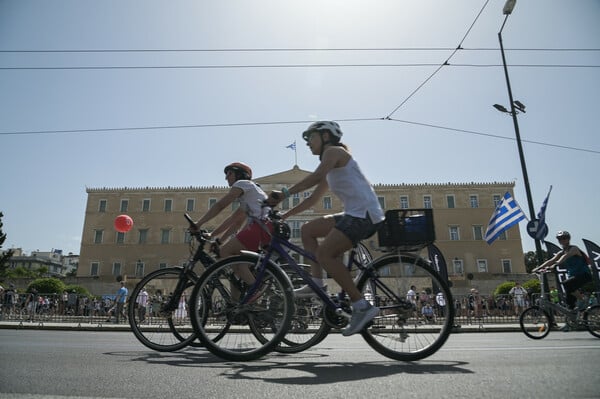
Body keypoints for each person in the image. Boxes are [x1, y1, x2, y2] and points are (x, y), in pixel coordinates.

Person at [268, 121, 385, 336]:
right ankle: (317, 283)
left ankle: (361, 306)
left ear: (325, 136)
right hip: (354, 213)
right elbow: (313, 199)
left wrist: (284, 194)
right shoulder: (331, 167)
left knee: (325, 254)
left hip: (364, 215)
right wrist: (285, 215)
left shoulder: (334, 152)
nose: (308, 144)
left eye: (311, 138)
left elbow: (314, 177)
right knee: (307, 230)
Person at [190, 162, 272, 287]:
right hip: (266, 228)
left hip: (261, 226)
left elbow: (220, 205)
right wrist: (216, 238)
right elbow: (235, 222)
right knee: (238, 269)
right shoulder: (249, 197)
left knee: (225, 253)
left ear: (240, 174)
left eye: (229, 173)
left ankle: (255, 290)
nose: (226, 177)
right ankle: (244, 298)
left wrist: (199, 223)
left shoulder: (243, 184)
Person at [534, 230, 593, 331]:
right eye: (560, 239)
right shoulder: (561, 252)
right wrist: (538, 268)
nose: (562, 240)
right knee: (568, 299)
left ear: (568, 239)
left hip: (584, 274)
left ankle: (583, 301)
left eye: (564, 238)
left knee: (567, 284)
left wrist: (555, 265)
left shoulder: (574, 249)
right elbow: (551, 260)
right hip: (573, 276)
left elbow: (565, 257)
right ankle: (571, 319)